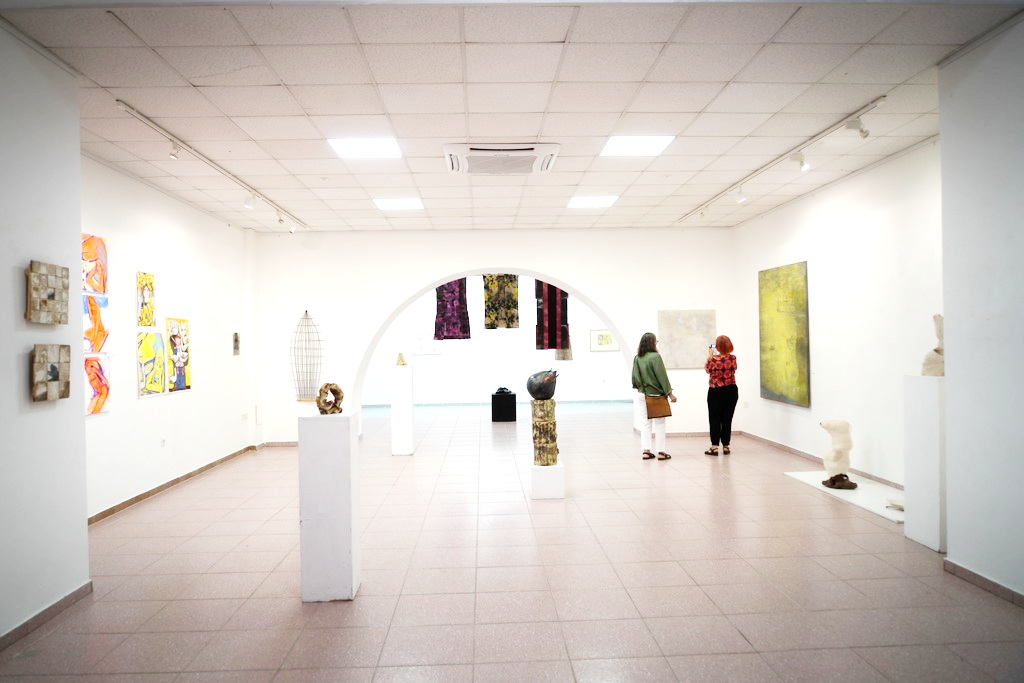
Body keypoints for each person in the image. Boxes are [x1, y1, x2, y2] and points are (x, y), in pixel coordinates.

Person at [631, 332, 677, 460]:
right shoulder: (656, 357)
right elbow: (662, 377)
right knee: (660, 423)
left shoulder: (637, 358)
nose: (656, 343)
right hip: (655, 395)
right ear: (652, 343)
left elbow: (634, 377)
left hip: (642, 394)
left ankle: (646, 451)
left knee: (645, 423)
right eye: (655, 341)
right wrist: (670, 393)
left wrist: (642, 388)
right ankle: (661, 452)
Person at [705, 335, 738, 456]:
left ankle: (714, 447)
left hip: (716, 391)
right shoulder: (733, 358)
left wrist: (709, 356)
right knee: (727, 419)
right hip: (731, 391)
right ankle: (726, 446)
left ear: (717, 346)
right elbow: (734, 368)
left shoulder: (713, 359)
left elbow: (707, 370)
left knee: (714, 418)